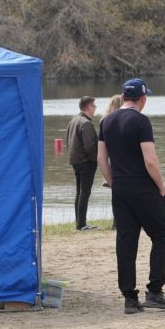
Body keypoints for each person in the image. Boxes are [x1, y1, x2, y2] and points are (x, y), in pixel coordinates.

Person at [98, 78, 165, 314]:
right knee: (162, 233)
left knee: (126, 240)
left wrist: (113, 182)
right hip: (143, 186)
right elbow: (150, 160)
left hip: (120, 186)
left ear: (122, 97)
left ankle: (129, 298)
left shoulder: (106, 121)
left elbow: (102, 159)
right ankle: (154, 291)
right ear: (143, 99)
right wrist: (161, 187)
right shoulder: (141, 121)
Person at [65, 96, 99, 231]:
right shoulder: (86, 123)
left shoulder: (73, 121)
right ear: (89, 107)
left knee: (79, 192)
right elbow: (90, 146)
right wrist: (96, 159)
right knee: (85, 192)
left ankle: (79, 223)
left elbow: (68, 141)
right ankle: (82, 224)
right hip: (86, 162)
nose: (95, 109)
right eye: (94, 106)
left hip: (75, 161)